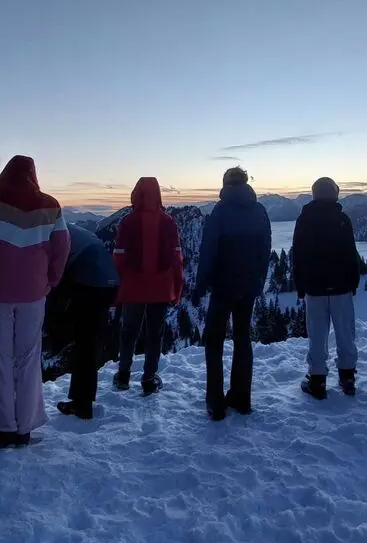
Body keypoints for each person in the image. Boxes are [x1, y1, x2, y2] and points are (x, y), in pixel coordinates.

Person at [0, 155, 70, 448]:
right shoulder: (50, 205)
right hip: (33, 293)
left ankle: (4, 427)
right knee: (29, 358)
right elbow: (62, 246)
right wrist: (51, 279)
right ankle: (25, 426)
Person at [192, 167, 271, 421]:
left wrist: (201, 285)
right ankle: (241, 397)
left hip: (223, 286)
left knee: (214, 341)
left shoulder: (220, 212)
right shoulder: (259, 211)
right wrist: (259, 280)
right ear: (246, 183)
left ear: (225, 183)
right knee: (242, 337)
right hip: (248, 287)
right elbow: (265, 250)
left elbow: (208, 252)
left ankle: (216, 403)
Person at [112, 177, 184, 396]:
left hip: (134, 286)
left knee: (129, 331)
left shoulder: (128, 222)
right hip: (161, 287)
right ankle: (149, 378)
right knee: (155, 333)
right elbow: (176, 258)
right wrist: (177, 288)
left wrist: (118, 288)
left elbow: (119, 258)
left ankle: (123, 374)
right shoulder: (168, 221)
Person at [292, 177, 361, 400]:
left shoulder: (304, 220)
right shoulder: (342, 219)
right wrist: (354, 281)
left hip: (314, 287)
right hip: (341, 286)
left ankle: (317, 380)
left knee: (317, 334)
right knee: (345, 333)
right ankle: (348, 377)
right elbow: (351, 253)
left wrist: (300, 285)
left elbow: (298, 255)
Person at [52, 225, 120, 420]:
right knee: (87, 344)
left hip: (90, 285)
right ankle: (82, 401)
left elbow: (55, 270)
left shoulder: (53, 233)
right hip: (109, 284)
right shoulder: (73, 230)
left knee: (84, 345)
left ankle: (81, 404)